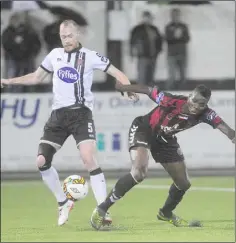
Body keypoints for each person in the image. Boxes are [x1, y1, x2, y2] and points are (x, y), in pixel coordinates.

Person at [1, 19, 138, 227]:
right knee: (41, 161)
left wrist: (128, 88)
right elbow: (37, 77)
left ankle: (102, 211)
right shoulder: (54, 55)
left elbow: (116, 72)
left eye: (70, 36)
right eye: (63, 37)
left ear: (78, 34)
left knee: (88, 158)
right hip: (58, 115)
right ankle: (63, 202)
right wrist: (8, 81)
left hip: (81, 114)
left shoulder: (90, 57)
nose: (66, 40)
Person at [90, 82, 235, 230]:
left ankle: (166, 213)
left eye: (202, 104)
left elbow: (227, 129)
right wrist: (123, 87)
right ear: (190, 96)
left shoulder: (207, 114)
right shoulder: (171, 101)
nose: (197, 106)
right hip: (144, 130)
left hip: (165, 139)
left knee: (183, 183)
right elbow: (147, 90)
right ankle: (101, 209)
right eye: (195, 100)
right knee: (139, 172)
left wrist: (233, 137)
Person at [2, 12, 41, 92]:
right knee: (13, 76)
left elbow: (34, 43)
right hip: (13, 58)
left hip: (26, 57)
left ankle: (27, 91)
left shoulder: (27, 31)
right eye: (13, 20)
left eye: (16, 20)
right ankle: (13, 91)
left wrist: (32, 53)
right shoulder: (7, 32)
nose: (15, 22)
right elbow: (6, 44)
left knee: (27, 75)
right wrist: (14, 43)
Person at [130, 11, 163, 85]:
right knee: (142, 75)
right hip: (142, 56)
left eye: (149, 18)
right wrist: (132, 52)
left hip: (153, 55)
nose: (148, 19)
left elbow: (160, 40)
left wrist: (158, 51)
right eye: (146, 17)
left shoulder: (154, 29)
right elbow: (132, 42)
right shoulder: (137, 29)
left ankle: (149, 92)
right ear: (143, 18)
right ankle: (140, 91)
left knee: (151, 75)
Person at [165, 8, 190, 89]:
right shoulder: (168, 27)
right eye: (174, 15)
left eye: (177, 15)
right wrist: (175, 36)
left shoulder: (184, 26)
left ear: (179, 16)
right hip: (172, 54)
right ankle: (169, 93)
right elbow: (167, 39)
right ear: (171, 16)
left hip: (182, 53)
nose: (175, 16)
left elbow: (187, 38)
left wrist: (180, 36)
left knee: (183, 75)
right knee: (171, 75)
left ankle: (183, 92)